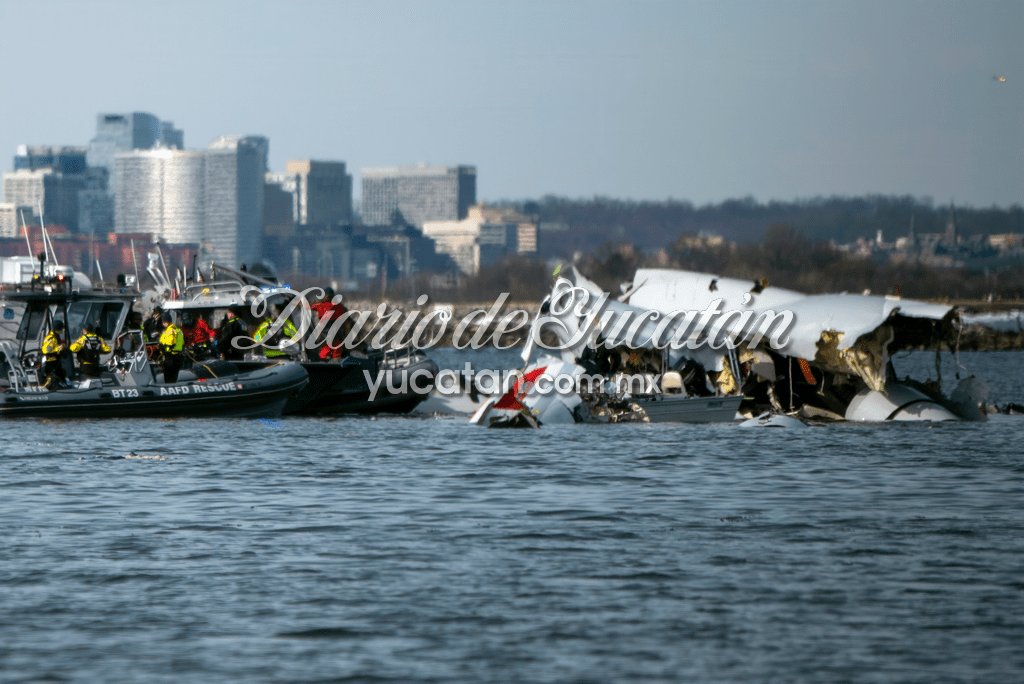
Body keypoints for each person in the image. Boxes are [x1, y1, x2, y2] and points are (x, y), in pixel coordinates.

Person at [310, 287, 349, 361]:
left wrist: (298, 302)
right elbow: (345, 319)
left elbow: (308, 306)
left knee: (324, 353)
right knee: (337, 353)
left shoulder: (320, 305)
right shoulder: (339, 307)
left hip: (325, 334)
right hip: (337, 334)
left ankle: (322, 367)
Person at [41, 320, 68, 388]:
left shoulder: (56, 337)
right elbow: (46, 351)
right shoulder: (51, 339)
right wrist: (58, 349)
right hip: (51, 363)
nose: (62, 330)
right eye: (61, 328)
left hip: (56, 362)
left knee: (61, 377)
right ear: (58, 329)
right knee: (53, 379)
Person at [158, 312, 185, 382]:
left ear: (168, 321)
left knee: (169, 377)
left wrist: (161, 345)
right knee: (174, 376)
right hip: (177, 356)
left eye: (165, 322)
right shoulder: (176, 329)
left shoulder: (170, 330)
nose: (164, 323)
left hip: (171, 357)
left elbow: (170, 343)